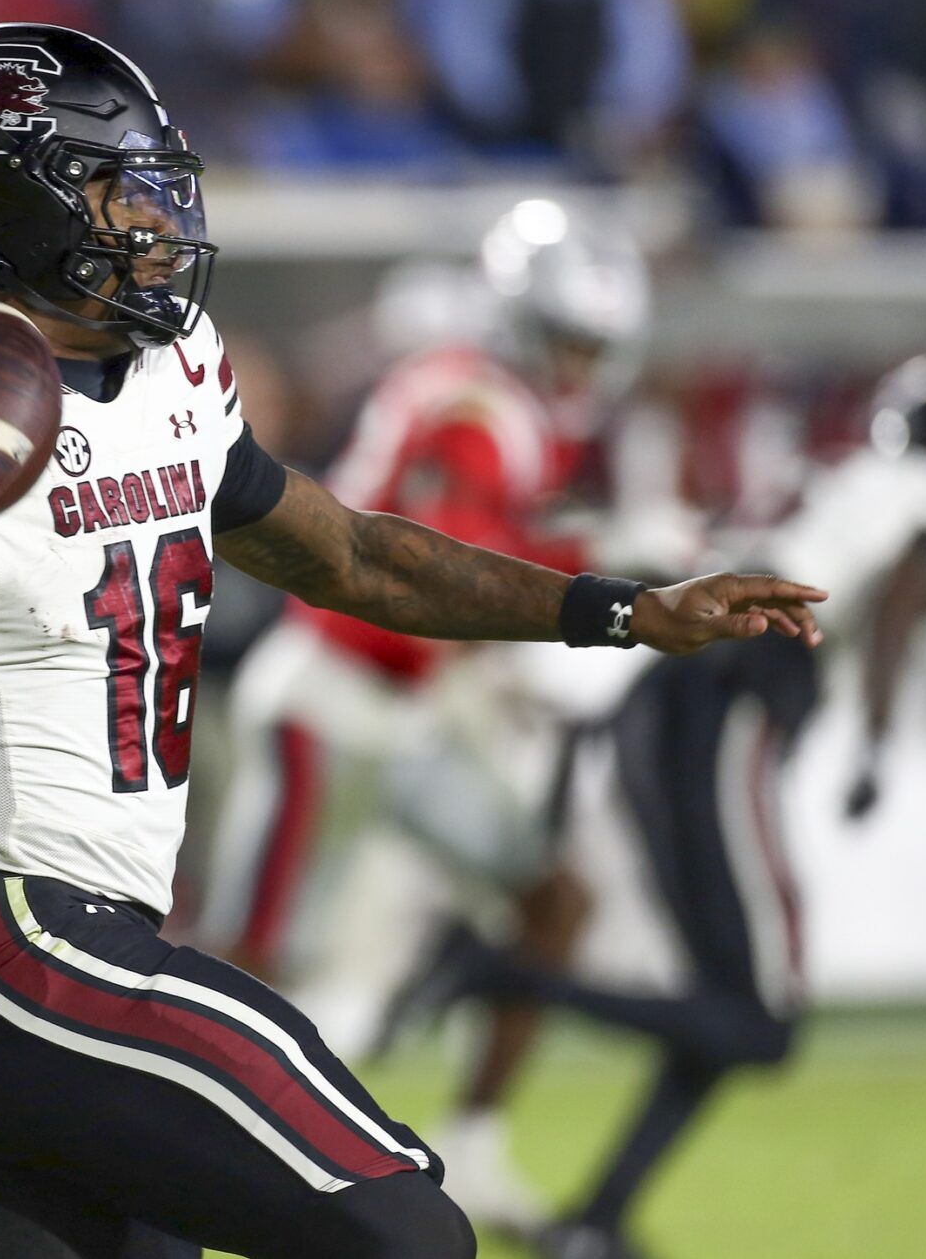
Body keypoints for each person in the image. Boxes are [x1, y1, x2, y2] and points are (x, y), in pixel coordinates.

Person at [0, 23, 824, 1259]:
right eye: (115, 186)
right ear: (8, 212)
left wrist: (627, 608)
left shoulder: (174, 372)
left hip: (50, 958)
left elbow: (359, 556)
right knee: (408, 1233)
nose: (154, 218)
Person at [395, 356, 926, 1259]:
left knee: (733, 1007)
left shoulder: (845, 475)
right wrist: (878, 737)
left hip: (671, 698)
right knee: (763, 1020)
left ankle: (598, 1218)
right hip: (731, 699)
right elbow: (910, 586)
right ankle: (496, 970)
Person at [197, 197, 656, 1233]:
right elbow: (440, 562)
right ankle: (164, 1172)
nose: (580, 371)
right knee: (249, 962)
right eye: (567, 343)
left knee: (554, 902)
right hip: (332, 701)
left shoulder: (491, 398)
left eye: (595, 348)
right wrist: (597, 571)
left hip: (412, 717)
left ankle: (481, 1147)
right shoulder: (469, 404)